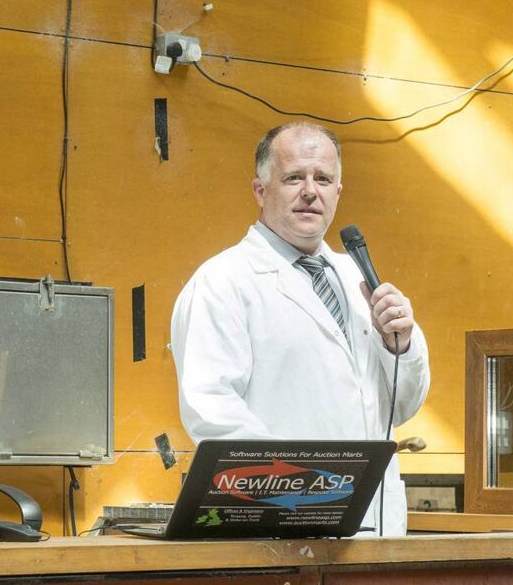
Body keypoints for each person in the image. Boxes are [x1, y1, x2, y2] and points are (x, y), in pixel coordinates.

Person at [169, 120, 430, 535]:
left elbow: (401, 407)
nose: (311, 191)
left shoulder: (359, 280)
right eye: (294, 177)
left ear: (337, 193)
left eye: (323, 179)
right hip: (283, 529)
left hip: (376, 528)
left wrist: (400, 348)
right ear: (260, 190)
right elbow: (213, 414)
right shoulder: (222, 282)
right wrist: (307, 492)